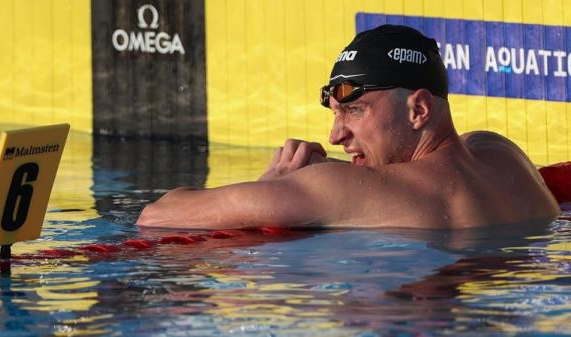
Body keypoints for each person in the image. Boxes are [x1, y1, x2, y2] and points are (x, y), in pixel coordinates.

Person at [137, 24, 559, 229]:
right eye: (335, 115)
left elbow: (157, 217)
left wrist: (272, 182)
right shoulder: (503, 154)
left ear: (419, 111)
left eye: (355, 111)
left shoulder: (345, 189)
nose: (335, 136)